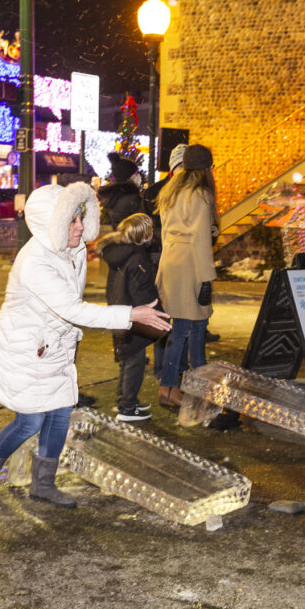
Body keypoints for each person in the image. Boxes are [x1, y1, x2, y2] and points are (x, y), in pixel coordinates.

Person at [0, 182, 170, 507]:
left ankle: (43, 484)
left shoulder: (72, 251)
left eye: (81, 218)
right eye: (72, 221)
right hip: (23, 348)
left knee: (61, 413)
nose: (80, 227)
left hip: (54, 345)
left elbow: (68, 310)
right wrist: (131, 315)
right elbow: (72, 309)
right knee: (30, 421)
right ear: (51, 224)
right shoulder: (35, 261)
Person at [155, 144, 218, 408]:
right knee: (191, 329)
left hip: (172, 263)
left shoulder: (172, 190)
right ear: (206, 168)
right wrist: (207, 278)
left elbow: (169, 231)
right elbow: (200, 240)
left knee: (182, 328)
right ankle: (177, 387)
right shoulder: (200, 194)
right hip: (191, 266)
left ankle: (178, 386)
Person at [98, 213, 164, 421]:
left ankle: (124, 401)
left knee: (127, 359)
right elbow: (141, 290)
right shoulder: (137, 258)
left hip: (121, 311)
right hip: (134, 316)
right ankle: (128, 407)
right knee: (135, 362)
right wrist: (156, 310)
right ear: (143, 235)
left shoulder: (120, 254)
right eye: (150, 230)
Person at [98, 152, 144, 229]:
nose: (137, 175)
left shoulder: (113, 196)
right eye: (135, 173)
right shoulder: (133, 198)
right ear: (128, 176)